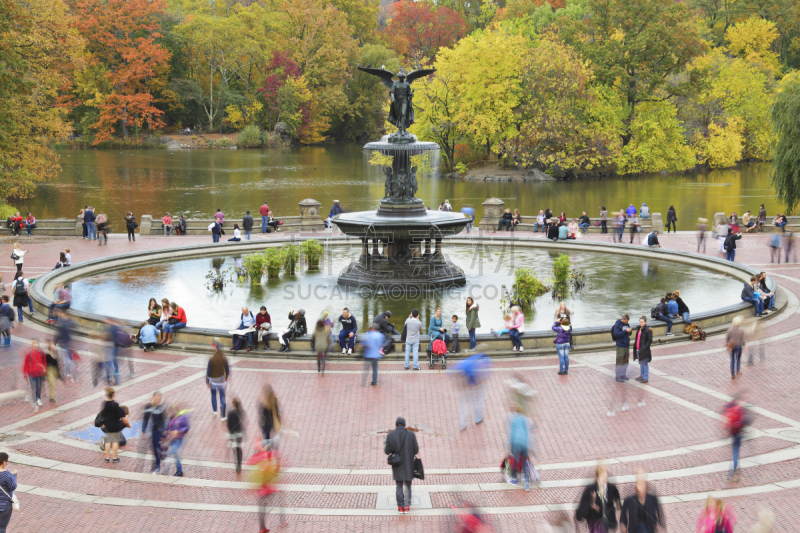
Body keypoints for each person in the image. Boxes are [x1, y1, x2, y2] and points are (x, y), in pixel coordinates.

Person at [384, 416, 420, 513]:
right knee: (408, 485)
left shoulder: (390, 435)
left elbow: (387, 451)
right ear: (404, 425)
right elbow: (416, 450)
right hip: (408, 463)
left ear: (396, 425)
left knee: (399, 485)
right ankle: (407, 506)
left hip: (397, 464)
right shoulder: (411, 435)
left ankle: (400, 506)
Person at [576, 464, 621, 533]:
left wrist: (620, 520)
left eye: (606, 476)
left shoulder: (612, 488)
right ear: (597, 477)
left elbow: (618, 504)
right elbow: (584, 506)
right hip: (594, 520)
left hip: (608, 521)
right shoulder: (591, 489)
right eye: (602, 476)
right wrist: (593, 505)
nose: (604, 479)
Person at [454, 353, 490, 431]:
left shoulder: (468, 360)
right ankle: (477, 418)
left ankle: (463, 423)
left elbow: (455, 371)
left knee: (465, 404)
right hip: (475, 385)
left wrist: (459, 384)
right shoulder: (486, 360)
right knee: (477, 402)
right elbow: (484, 375)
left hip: (467, 385)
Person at [98, 387, 128, 463]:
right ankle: (112, 455)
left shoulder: (105, 404)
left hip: (105, 426)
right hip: (111, 428)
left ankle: (107, 454)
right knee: (122, 441)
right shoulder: (121, 420)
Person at [507, 405, 533, 490]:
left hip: (516, 442)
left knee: (515, 460)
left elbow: (512, 434)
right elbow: (527, 433)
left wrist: (510, 446)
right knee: (524, 461)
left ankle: (514, 479)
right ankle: (526, 482)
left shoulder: (514, 420)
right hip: (524, 442)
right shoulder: (524, 420)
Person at [724, 395, 749, 481]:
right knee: (736, 450)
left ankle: (736, 465)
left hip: (733, 432)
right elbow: (745, 421)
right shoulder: (741, 410)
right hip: (739, 433)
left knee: (735, 449)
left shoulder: (731, 409)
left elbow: (728, 419)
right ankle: (734, 467)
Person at [142, 391, 166, 474]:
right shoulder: (148, 406)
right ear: (153, 398)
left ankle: (158, 465)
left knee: (158, 448)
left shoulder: (161, 407)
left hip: (160, 430)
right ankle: (158, 462)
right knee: (155, 449)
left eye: (159, 399)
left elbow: (163, 419)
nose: (158, 400)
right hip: (154, 430)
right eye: (156, 398)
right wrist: (143, 430)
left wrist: (164, 431)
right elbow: (146, 418)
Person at [163, 405, 190, 477]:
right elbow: (168, 426)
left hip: (178, 438)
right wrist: (166, 431)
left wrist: (178, 431)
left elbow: (186, 428)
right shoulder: (171, 418)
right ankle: (170, 469)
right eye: (170, 413)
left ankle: (179, 471)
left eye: (172, 412)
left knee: (174, 452)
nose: (171, 414)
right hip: (172, 438)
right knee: (172, 453)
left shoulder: (182, 418)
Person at [206, 347, 230, 419]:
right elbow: (227, 369)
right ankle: (223, 415)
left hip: (213, 380)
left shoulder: (212, 358)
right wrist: (226, 377)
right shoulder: (223, 358)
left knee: (213, 395)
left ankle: (214, 410)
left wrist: (207, 381)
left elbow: (208, 370)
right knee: (222, 397)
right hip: (221, 380)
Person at [23, 341, 46, 411]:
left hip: (39, 373)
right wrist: (25, 373)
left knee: (39, 387)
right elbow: (26, 364)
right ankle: (35, 401)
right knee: (34, 387)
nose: (36, 347)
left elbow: (44, 362)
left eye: (37, 346)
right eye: (34, 346)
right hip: (31, 374)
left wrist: (44, 369)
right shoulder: (29, 354)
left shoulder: (41, 353)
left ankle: (38, 398)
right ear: (32, 346)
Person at [226, 397, 245, 474]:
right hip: (239, 433)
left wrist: (230, 432)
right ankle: (239, 463)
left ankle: (237, 463)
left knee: (234, 449)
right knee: (239, 448)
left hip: (233, 433)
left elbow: (228, 425)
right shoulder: (241, 412)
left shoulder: (230, 413)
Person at [0, 452, 18, 533]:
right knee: (2, 527)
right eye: (7, 461)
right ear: (3, 462)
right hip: (4, 505)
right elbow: (13, 487)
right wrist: (14, 475)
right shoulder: (6, 474)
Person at [633, 316, 653, 383]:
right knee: (641, 363)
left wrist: (644, 347)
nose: (641, 323)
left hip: (644, 350)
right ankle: (641, 376)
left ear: (645, 322)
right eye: (640, 322)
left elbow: (650, 340)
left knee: (644, 363)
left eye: (642, 322)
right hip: (638, 349)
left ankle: (645, 377)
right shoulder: (638, 329)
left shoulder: (647, 330)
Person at [613, 315, 632, 382]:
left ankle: (623, 374)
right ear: (623, 319)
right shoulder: (617, 325)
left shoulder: (627, 324)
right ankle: (618, 376)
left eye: (627, 321)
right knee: (620, 361)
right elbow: (616, 334)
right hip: (620, 346)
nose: (626, 322)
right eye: (626, 321)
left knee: (625, 361)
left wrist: (630, 331)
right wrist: (625, 331)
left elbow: (629, 333)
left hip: (626, 345)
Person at [726, 316, 745, 380]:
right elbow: (743, 340)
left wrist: (727, 343)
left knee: (732, 359)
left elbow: (727, 338)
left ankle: (732, 374)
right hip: (738, 346)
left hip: (732, 346)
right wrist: (744, 346)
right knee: (738, 358)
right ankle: (738, 370)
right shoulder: (741, 331)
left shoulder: (730, 330)